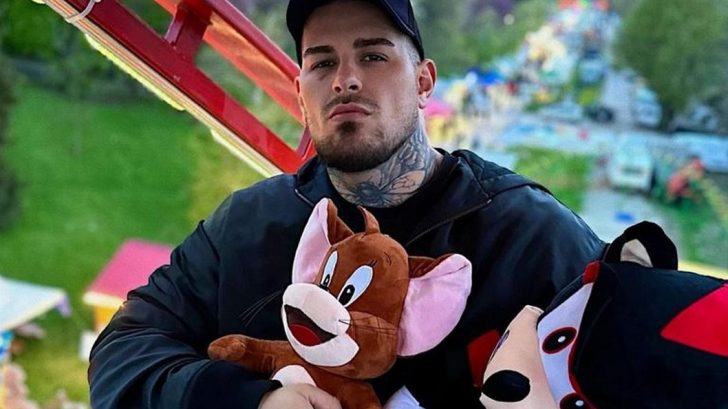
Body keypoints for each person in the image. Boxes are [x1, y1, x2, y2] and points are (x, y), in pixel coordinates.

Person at [88, 1, 606, 408]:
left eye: (373, 56)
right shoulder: (245, 226)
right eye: (322, 62)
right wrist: (251, 399)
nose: (345, 79)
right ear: (300, 94)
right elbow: (122, 351)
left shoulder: (530, 237)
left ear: (424, 81)